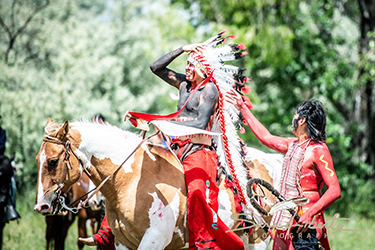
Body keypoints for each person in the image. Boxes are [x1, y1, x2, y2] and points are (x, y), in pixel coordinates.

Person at [81, 31, 248, 250]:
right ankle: (107, 232)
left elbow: (200, 124)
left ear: (203, 67)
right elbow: (156, 68)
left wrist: (165, 124)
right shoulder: (183, 85)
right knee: (134, 176)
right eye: (187, 63)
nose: (187, 67)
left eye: (192, 64)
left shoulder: (210, 90)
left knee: (198, 194)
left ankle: (203, 243)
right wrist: (182, 49)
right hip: (174, 148)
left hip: (199, 152)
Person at [226, 90, 341, 250]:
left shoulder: (318, 150)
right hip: (284, 220)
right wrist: (242, 108)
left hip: (305, 223)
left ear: (302, 121)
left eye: (295, 115)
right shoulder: (292, 145)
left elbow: (335, 190)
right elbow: (266, 137)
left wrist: (309, 213)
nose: (292, 119)